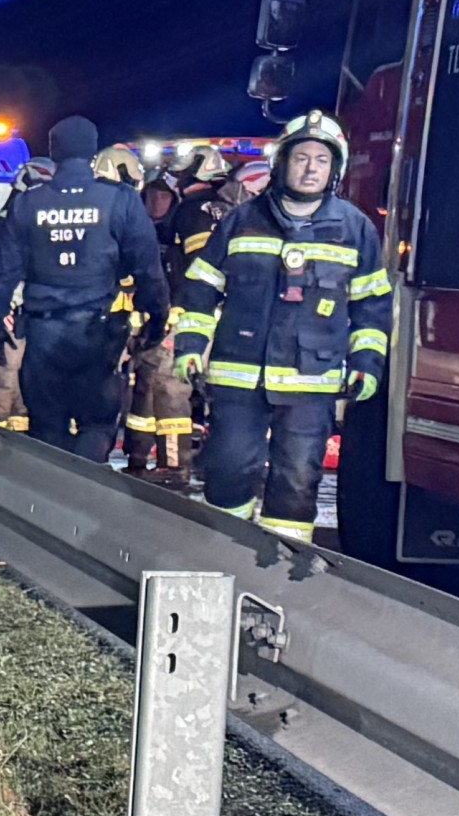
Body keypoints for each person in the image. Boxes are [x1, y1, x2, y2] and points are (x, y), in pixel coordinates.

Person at [166, 107, 387, 537]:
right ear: (281, 162)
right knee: (227, 468)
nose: (311, 169)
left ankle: (283, 563)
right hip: (240, 378)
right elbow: (202, 288)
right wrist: (190, 348)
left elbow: (372, 304)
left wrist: (367, 363)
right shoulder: (241, 220)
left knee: (298, 480)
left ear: (335, 169)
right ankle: (225, 549)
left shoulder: (355, 229)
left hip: (311, 385)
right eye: (301, 158)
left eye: (321, 160)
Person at [0, 117, 168, 459]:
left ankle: (52, 488)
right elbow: (148, 267)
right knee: (97, 424)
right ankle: (85, 486)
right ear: (92, 150)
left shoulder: (28, 203)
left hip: (43, 334)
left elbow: (3, 273)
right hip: (98, 334)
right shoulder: (119, 200)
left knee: (46, 425)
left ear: (53, 151)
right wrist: (157, 317)